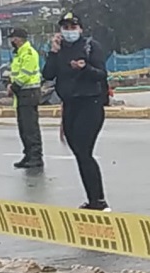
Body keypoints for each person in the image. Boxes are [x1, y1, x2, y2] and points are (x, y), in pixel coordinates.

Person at [42, 12, 111, 212]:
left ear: (80, 29)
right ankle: (92, 199)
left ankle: (99, 201)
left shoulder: (90, 47)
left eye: (73, 28)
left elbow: (101, 74)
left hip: (90, 104)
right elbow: (48, 74)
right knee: (79, 153)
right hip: (70, 105)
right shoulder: (60, 50)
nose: (69, 32)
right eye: (66, 28)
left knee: (84, 150)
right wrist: (53, 52)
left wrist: (84, 68)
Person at [7, 27, 43, 169]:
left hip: (29, 93)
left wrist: (13, 87)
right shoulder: (19, 54)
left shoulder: (28, 53)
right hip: (22, 94)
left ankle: (35, 157)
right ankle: (28, 155)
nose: (12, 41)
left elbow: (25, 74)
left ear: (19, 39)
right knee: (23, 128)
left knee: (30, 128)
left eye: (13, 38)